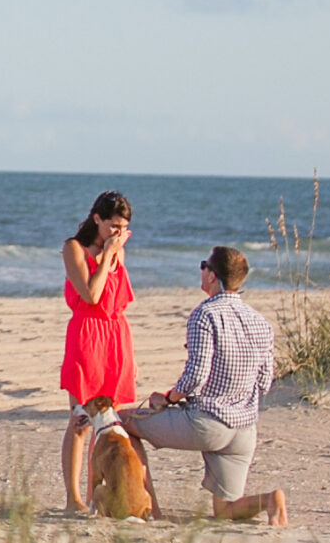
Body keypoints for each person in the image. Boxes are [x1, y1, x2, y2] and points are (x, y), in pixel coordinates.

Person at [117, 245, 288, 523]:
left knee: (123, 421)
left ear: (212, 276)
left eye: (203, 266)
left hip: (208, 423)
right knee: (225, 511)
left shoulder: (204, 314)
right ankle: (270, 500)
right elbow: (264, 382)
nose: (202, 271)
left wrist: (170, 398)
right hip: (244, 429)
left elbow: (196, 375)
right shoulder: (260, 322)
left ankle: (153, 510)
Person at [57, 190, 135, 511]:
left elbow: (118, 298)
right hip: (87, 335)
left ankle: (94, 497)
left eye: (123, 227)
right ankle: (72, 498)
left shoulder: (118, 251)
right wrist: (106, 257)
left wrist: (115, 254)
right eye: (112, 226)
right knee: (80, 420)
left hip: (115, 335)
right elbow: (91, 294)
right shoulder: (74, 249)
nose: (117, 233)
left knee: (107, 422)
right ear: (97, 220)